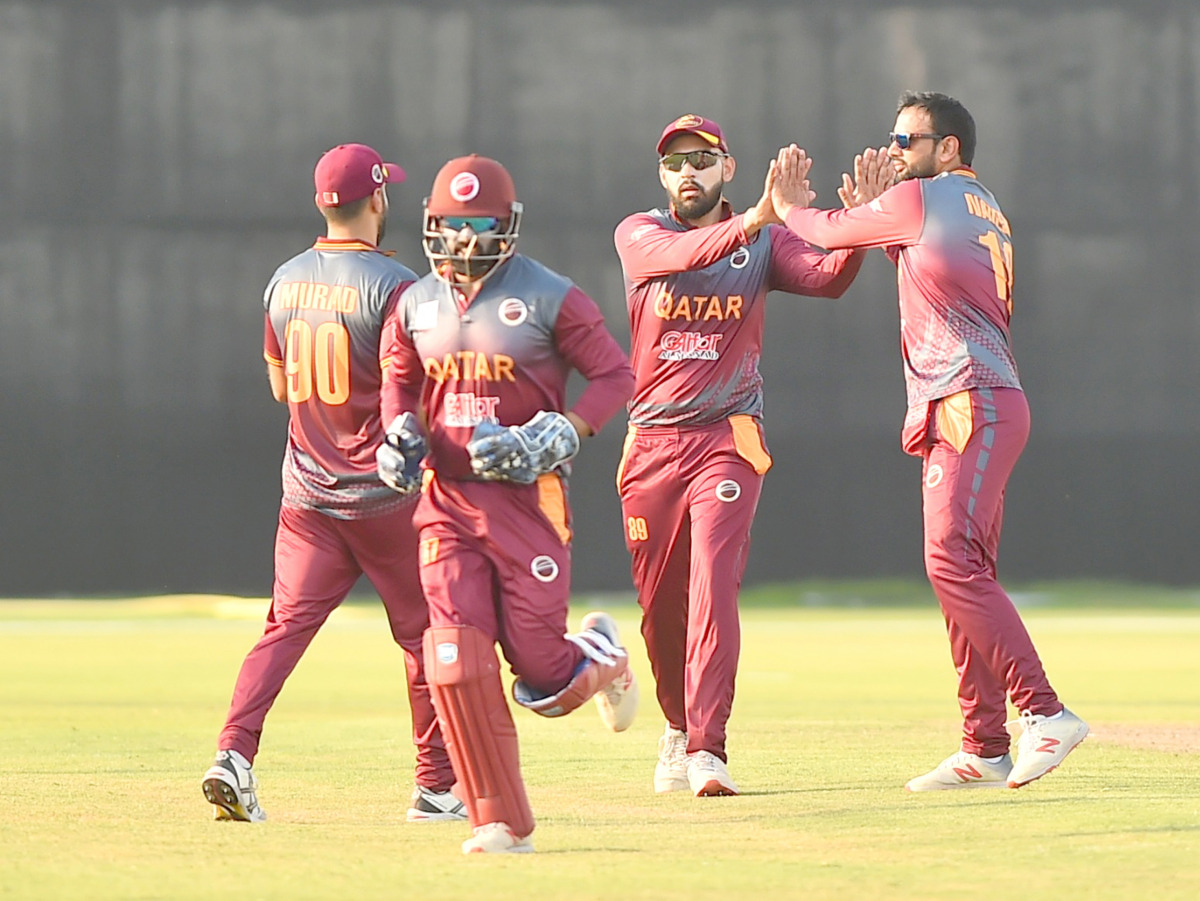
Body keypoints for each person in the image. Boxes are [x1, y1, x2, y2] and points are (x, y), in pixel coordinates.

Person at [772, 91, 1088, 791]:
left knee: (950, 561)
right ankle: (985, 742)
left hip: (968, 399)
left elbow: (823, 234)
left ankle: (1046, 712)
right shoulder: (982, 207)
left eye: (907, 140)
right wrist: (881, 223)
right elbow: (929, 276)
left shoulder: (930, 196)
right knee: (963, 569)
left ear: (948, 149)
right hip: (980, 400)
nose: (895, 151)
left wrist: (789, 205)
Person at [376, 154, 638, 854]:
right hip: (447, 501)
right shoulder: (414, 303)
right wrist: (398, 431)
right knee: (455, 657)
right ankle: (497, 819)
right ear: (431, 226)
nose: (465, 241)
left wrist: (561, 431)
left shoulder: (550, 296)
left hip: (527, 498)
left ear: (509, 226)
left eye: (482, 224)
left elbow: (616, 373)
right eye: (453, 226)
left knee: (545, 679)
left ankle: (601, 656)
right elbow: (399, 380)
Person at [612, 114, 879, 797]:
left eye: (702, 159)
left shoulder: (762, 242)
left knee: (713, 583)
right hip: (650, 443)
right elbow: (682, 258)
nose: (687, 172)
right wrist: (760, 215)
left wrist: (854, 227)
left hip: (726, 438)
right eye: (675, 163)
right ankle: (677, 724)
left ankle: (708, 747)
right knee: (659, 607)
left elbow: (827, 278)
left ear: (726, 167)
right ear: (662, 175)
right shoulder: (639, 233)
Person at [201, 143, 462, 824]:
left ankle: (233, 752)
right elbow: (420, 391)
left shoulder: (283, 280)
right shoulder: (399, 285)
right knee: (426, 633)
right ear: (377, 199)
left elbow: (281, 384)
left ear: (323, 203)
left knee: (283, 629)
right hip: (386, 499)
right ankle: (436, 787)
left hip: (308, 497)